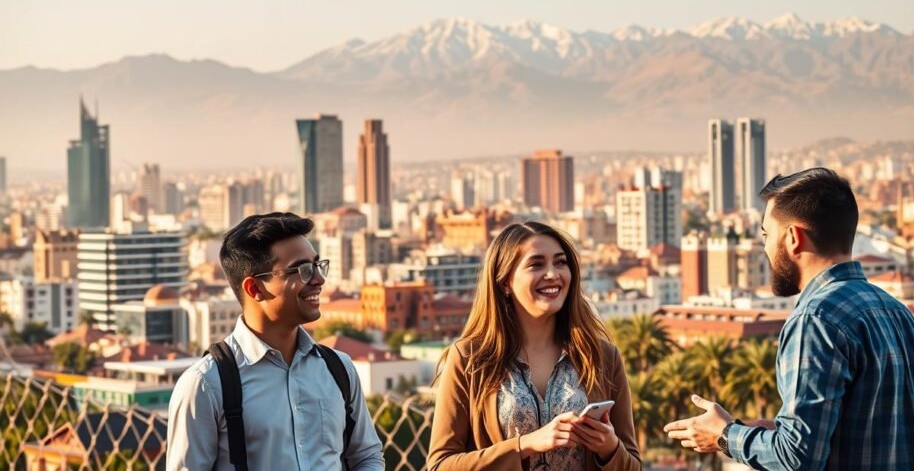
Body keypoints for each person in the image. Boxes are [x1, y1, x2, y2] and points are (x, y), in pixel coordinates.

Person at [664, 168, 914, 470]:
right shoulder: (899, 314)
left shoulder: (816, 320)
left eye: (767, 235)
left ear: (793, 237)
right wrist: (764, 432)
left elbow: (797, 458)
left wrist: (725, 435)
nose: (766, 248)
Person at [167, 212, 385, 470]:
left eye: (317, 265)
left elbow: (366, 456)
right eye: (303, 270)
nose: (319, 280)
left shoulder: (338, 369)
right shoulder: (206, 386)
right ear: (255, 289)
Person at [428, 221, 641, 471]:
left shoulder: (603, 357)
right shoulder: (469, 359)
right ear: (505, 282)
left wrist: (609, 447)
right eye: (536, 264)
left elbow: (633, 466)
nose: (552, 274)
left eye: (560, 262)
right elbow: (440, 465)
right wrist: (525, 445)